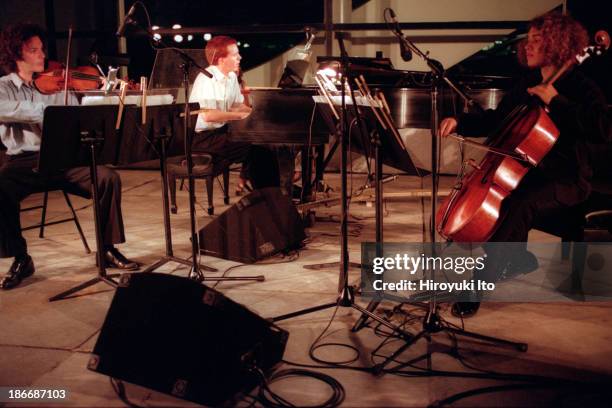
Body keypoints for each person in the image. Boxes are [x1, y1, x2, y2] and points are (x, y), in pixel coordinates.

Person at [438, 12, 610, 317]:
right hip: (529, 171)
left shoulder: (579, 85)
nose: (527, 47)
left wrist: (556, 100)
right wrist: (460, 121)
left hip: (568, 178)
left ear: (558, 43)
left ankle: (477, 286)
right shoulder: (527, 82)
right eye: (527, 40)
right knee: (505, 197)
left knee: (519, 203)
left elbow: (602, 127)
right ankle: (516, 259)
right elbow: (497, 119)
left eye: (537, 40)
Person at [0, 23, 138, 290]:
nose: (42, 55)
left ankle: (107, 249)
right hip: (24, 162)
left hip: (65, 159)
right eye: (34, 50)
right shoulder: (4, 87)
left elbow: (78, 119)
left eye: (42, 49)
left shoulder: (60, 86)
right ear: (17, 54)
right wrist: (49, 108)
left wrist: (94, 97)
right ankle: (20, 258)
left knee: (107, 178)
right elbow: (10, 110)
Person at [189, 35, 290, 193]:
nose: (240, 57)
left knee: (266, 143)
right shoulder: (207, 79)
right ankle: (268, 196)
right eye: (235, 55)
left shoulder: (230, 77)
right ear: (222, 60)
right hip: (203, 138)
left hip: (220, 132)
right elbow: (209, 115)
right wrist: (240, 116)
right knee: (258, 146)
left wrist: (257, 114)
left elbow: (237, 105)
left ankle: (275, 192)